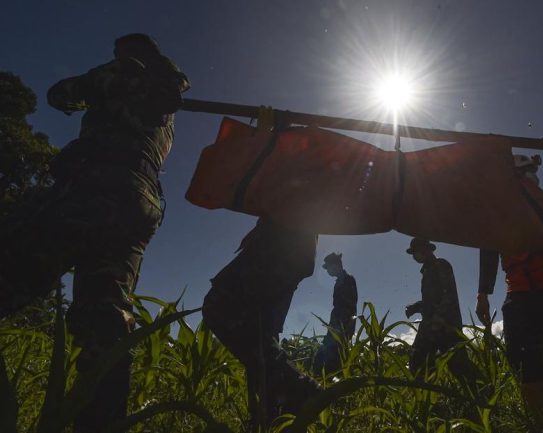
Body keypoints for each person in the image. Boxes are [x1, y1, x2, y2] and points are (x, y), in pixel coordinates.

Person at [0, 33, 189, 433]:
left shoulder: (125, 73)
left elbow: (60, 95)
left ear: (128, 52)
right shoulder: (166, 104)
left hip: (94, 186)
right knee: (106, 316)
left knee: (10, 271)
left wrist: (96, 83)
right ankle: (100, 423)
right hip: (139, 202)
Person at [476, 154, 543, 430]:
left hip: (534, 293)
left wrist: (483, 294)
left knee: (526, 363)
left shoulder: (502, 208)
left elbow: (488, 248)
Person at [201, 216, 320, 429]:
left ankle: (297, 388)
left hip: (282, 238)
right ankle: (271, 417)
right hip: (294, 244)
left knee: (219, 306)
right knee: (260, 333)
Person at [404, 238, 470, 377]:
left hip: (446, 326)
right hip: (431, 325)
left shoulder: (441, 265)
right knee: (419, 361)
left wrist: (438, 319)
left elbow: (448, 295)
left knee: (459, 366)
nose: (414, 256)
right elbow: (432, 301)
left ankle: (484, 394)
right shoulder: (427, 271)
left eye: (415, 252)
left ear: (425, 250)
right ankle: (426, 395)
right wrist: (416, 307)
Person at [312, 252, 358, 375]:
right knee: (329, 354)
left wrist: (341, 327)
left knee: (332, 355)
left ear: (335, 265)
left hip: (342, 325)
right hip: (336, 323)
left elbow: (349, 306)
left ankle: (332, 381)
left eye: (328, 267)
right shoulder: (341, 280)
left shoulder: (347, 279)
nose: (327, 271)